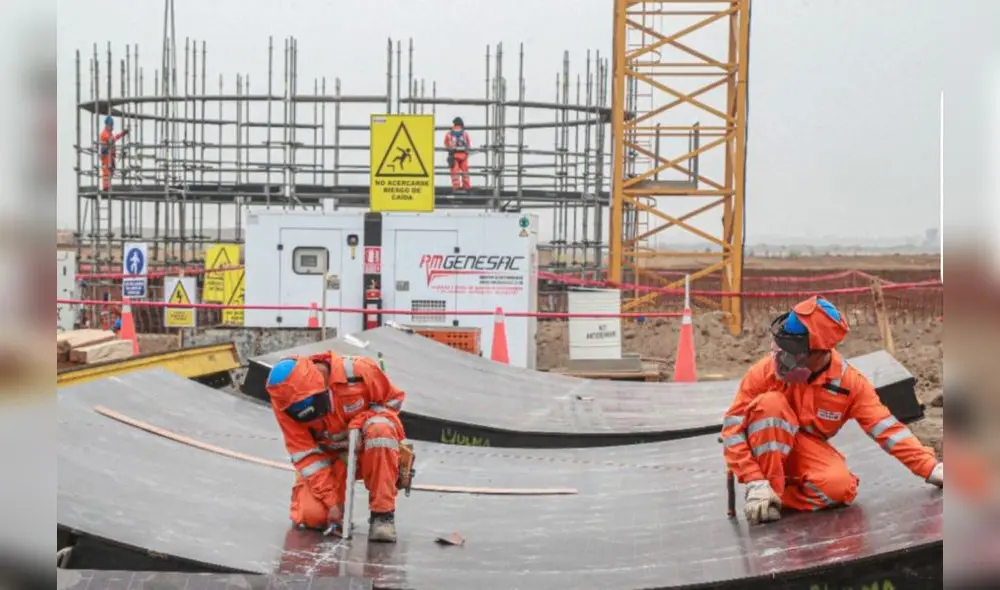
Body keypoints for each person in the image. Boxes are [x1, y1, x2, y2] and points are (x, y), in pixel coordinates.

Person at [720, 296, 944, 525]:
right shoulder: (765, 372)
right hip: (763, 449)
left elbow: (888, 429)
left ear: (822, 352)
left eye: (792, 351)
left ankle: (776, 498)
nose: (781, 358)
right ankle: (763, 492)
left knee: (839, 488)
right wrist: (754, 478)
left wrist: (930, 468)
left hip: (803, 446)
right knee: (771, 405)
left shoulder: (849, 385)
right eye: (782, 347)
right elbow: (732, 430)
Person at [265, 352, 407, 542]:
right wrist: (332, 502)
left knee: (381, 430)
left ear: (320, 383)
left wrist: (360, 423)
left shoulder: (360, 371)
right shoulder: (284, 403)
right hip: (331, 458)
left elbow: (393, 401)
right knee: (313, 516)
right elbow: (306, 455)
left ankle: (382, 515)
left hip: (368, 451)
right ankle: (333, 505)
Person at [98, 115, 128, 191]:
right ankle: (105, 187)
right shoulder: (104, 133)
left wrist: (122, 133)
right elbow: (110, 140)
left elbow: (114, 138)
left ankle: (107, 186)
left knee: (111, 170)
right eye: (110, 125)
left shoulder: (109, 133)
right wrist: (121, 134)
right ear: (107, 125)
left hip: (110, 155)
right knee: (106, 171)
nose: (112, 127)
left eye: (112, 125)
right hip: (106, 155)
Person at [444, 116, 471, 190]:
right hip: (464, 155)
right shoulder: (465, 133)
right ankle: (466, 187)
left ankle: (456, 187)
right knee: (465, 172)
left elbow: (446, 143)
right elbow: (468, 144)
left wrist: (450, 150)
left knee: (455, 173)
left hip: (454, 155)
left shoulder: (449, 133)